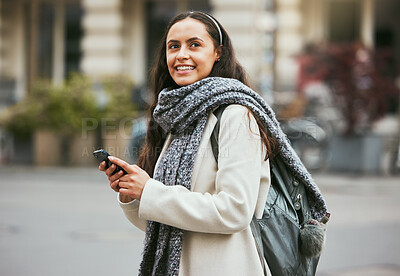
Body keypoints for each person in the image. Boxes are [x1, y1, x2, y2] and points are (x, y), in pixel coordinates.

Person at [99, 11, 327, 276]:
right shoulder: (178, 120)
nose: (181, 54)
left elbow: (234, 210)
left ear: (218, 53)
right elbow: (168, 222)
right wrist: (133, 197)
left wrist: (150, 191)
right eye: (173, 46)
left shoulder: (236, 115)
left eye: (194, 44)